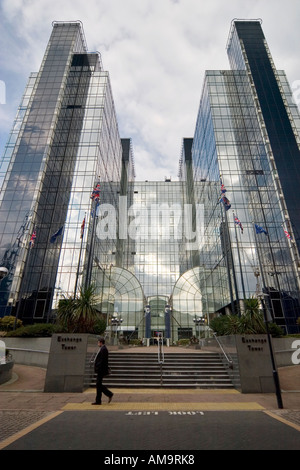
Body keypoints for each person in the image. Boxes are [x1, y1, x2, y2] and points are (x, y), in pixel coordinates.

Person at [92, 337, 113, 405]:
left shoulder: (103, 349)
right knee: (98, 384)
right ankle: (99, 400)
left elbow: (102, 361)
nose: (98, 344)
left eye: (98, 342)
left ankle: (109, 394)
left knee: (98, 384)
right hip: (101, 369)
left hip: (101, 370)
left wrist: (98, 366)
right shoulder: (103, 349)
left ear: (101, 342)